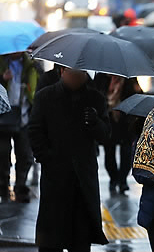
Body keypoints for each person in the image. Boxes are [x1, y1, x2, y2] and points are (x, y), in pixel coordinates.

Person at [28, 68, 110, 252]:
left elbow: (106, 135)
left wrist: (96, 122)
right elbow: (34, 130)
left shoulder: (95, 98)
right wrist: (46, 157)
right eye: (72, 72)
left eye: (80, 72)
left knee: (80, 239)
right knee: (51, 239)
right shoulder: (46, 97)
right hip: (55, 178)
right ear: (62, 72)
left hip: (83, 180)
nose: (76, 76)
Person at [0, 52, 41, 202]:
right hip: (3, 116)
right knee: (3, 154)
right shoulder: (2, 63)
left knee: (25, 154)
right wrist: (2, 79)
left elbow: (40, 85)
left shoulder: (32, 65)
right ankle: (3, 186)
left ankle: (20, 186)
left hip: (24, 115)